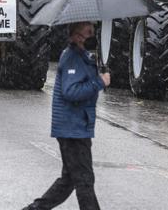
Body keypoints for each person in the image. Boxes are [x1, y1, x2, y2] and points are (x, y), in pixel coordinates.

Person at [23, 22, 110, 210]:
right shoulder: (72, 58)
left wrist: (99, 73)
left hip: (77, 126)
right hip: (72, 129)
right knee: (84, 180)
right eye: (88, 33)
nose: (92, 37)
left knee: (69, 180)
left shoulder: (82, 56)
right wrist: (98, 83)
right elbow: (71, 92)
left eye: (93, 33)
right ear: (76, 36)